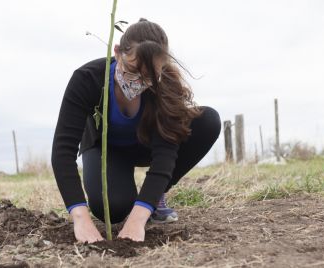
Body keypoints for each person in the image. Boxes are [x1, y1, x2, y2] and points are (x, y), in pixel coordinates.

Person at [51, 18, 221, 243]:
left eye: (150, 75)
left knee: (208, 120)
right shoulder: (87, 79)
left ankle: (153, 197)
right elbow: (62, 151)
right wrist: (80, 216)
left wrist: (139, 218)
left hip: (146, 145)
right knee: (112, 209)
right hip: (108, 151)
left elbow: (165, 154)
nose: (138, 81)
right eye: (132, 69)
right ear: (118, 51)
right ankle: (131, 198)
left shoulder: (165, 86)